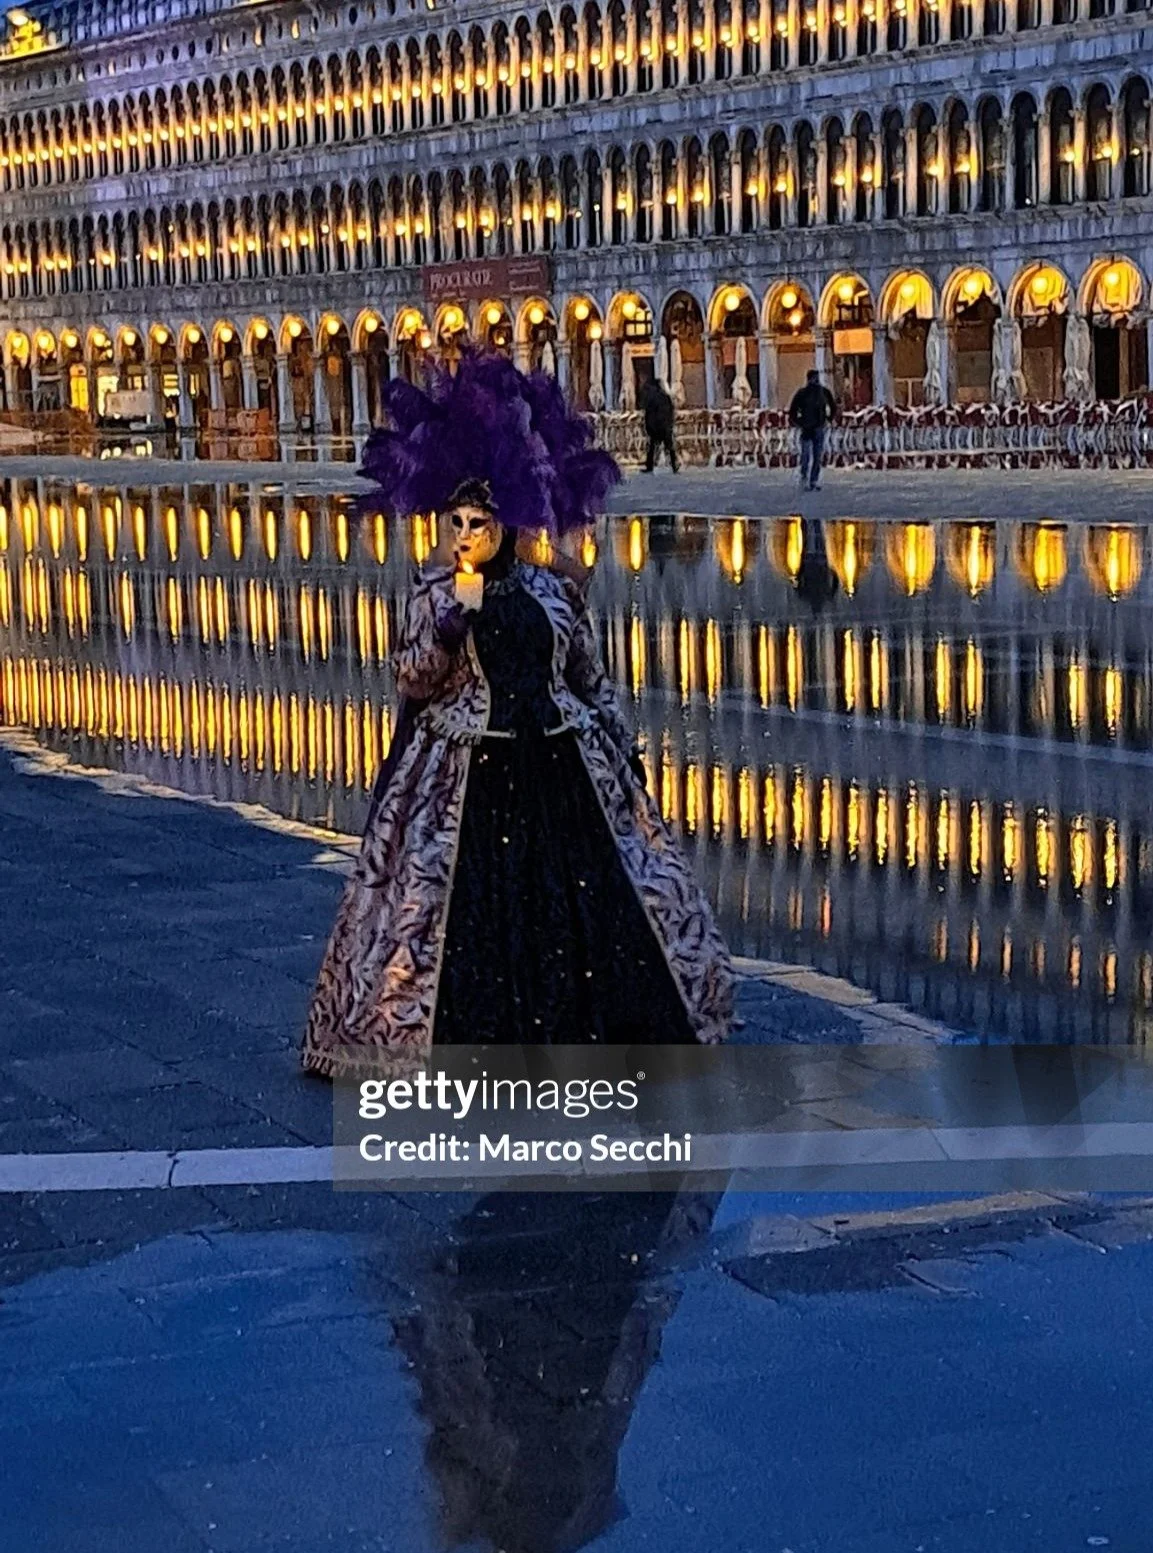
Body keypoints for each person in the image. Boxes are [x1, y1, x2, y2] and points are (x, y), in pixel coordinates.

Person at [301, 352, 732, 1077]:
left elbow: (587, 676)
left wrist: (621, 744)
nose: (466, 533)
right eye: (456, 521)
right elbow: (413, 678)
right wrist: (450, 626)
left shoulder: (551, 590)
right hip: (463, 770)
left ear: (505, 521)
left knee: (593, 900)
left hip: (562, 764)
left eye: (479, 521)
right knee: (449, 912)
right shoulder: (438, 593)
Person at [788, 369, 838, 491]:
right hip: (808, 427)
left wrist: (829, 418)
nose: (816, 380)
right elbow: (793, 409)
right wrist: (798, 422)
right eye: (814, 378)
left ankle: (812, 480)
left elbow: (833, 406)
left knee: (816, 456)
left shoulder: (822, 392)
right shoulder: (804, 393)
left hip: (816, 427)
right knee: (807, 455)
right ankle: (805, 476)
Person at [639, 377, 678, 472]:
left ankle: (650, 466)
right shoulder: (666, 397)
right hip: (665, 425)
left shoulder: (651, 398)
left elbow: (649, 413)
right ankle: (674, 465)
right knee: (669, 446)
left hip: (656, 426)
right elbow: (670, 411)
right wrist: (670, 423)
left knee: (652, 447)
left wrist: (649, 426)